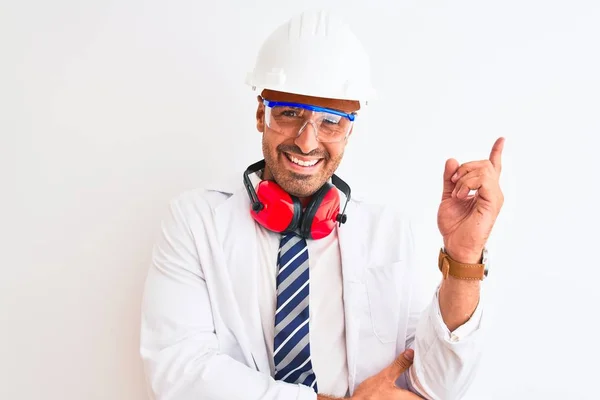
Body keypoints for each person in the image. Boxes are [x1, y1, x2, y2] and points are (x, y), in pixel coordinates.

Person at [140, 9, 504, 400]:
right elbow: (179, 372)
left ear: (350, 131)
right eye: (290, 113)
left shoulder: (390, 231)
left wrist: (463, 258)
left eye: (331, 122)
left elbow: (437, 386)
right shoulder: (195, 222)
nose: (308, 141)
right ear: (261, 113)